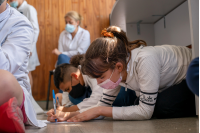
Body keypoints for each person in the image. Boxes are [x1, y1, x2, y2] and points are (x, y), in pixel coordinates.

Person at [65, 26, 196, 122]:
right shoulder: (117, 70)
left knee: (161, 106)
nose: (98, 83)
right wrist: (68, 115)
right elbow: (102, 105)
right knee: (139, 102)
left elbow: (145, 112)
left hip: (193, 77)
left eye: (101, 77)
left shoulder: (145, 60)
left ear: (118, 66)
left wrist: (99, 110)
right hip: (171, 82)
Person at [46, 55, 137, 122]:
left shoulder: (89, 70)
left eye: (68, 88)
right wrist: (62, 109)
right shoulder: (75, 80)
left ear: (74, 76)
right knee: (73, 97)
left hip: (123, 94)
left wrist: (66, 111)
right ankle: (61, 97)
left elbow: (97, 99)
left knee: (120, 96)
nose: (69, 92)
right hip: (98, 98)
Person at [0, 1, 45, 132]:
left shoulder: (20, 23)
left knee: (4, 80)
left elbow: (4, 67)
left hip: (8, 88)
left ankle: (10, 111)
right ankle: (4, 115)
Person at [9, 0, 40, 89]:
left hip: (27, 47)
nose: (11, 1)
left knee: (27, 72)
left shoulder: (29, 9)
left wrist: (30, 48)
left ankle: (28, 98)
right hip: (16, 46)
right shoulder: (12, 9)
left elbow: (35, 29)